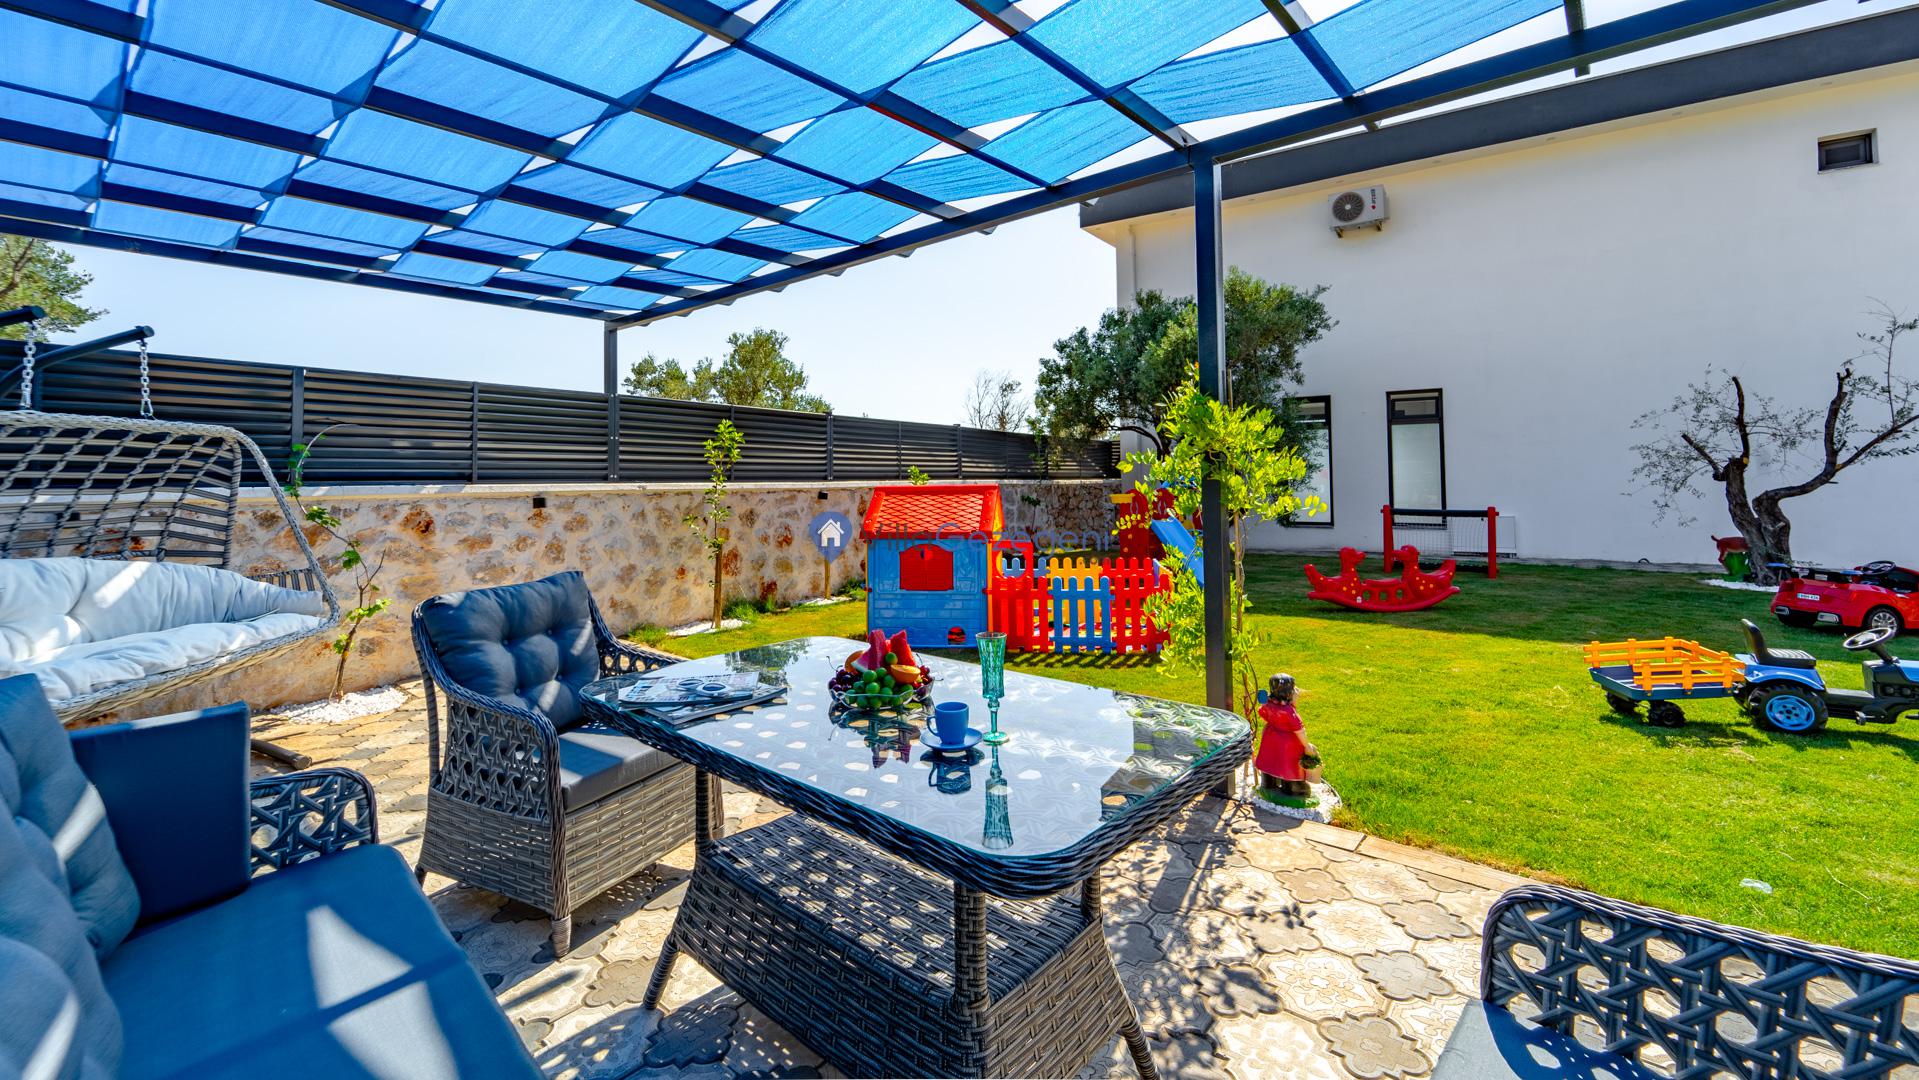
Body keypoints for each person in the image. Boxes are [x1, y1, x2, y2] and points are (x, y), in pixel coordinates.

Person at [1254, 673, 1318, 806]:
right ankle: (1293, 787)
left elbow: (1262, 712)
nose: (1297, 692)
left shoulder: (1269, 705)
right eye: (1294, 689)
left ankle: (1268, 782)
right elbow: (1300, 730)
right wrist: (1306, 745)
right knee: (1288, 763)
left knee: (1270, 759)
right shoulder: (1289, 711)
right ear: (1289, 693)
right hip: (1287, 742)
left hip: (1270, 736)